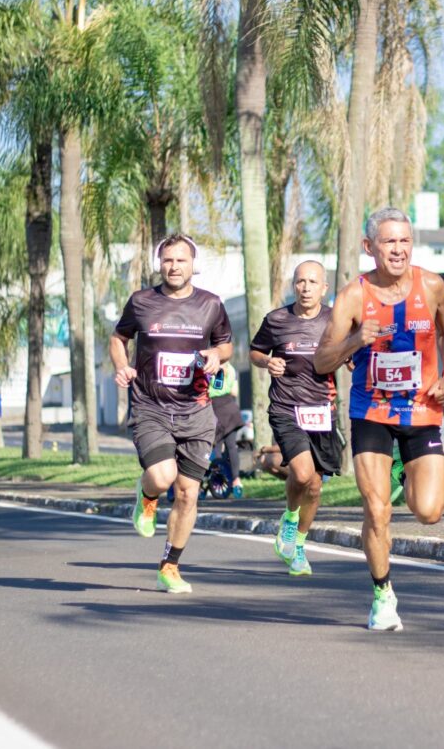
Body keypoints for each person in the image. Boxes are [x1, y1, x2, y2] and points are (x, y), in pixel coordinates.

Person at [315, 208, 444, 630]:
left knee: (428, 512)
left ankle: (402, 472)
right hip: (371, 411)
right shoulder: (353, 296)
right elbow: (323, 360)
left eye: (404, 241)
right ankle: (382, 594)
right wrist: (357, 339)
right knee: (377, 512)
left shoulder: (431, 286)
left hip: (421, 409)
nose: (398, 249)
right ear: (369, 247)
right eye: (389, 242)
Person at [110, 233, 233, 594]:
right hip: (152, 406)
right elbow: (119, 338)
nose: (173, 266)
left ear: (193, 265)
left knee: (187, 495)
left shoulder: (211, 304)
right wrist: (122, 366)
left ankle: (169, 567)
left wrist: (216, 356)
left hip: (196, 410)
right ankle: (146, 497)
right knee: (163, 477)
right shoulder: (142, 301)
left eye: (181, 260)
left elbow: (225, 343)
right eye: (167, 260)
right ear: (159, 263)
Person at [251, 260, 342, 577]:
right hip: (286, 407)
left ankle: (299, 545)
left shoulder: (336, 320)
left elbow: (351, 353)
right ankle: (289, 519)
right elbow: (255, 352)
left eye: (313, 282)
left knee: (316, 487)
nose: (306, 288)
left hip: (321, 411)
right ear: (294, 285)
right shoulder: (277, 319)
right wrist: (268, 362)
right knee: (302, 475)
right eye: (301, 281)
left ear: (324, 288)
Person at [208, 361, 245, 498]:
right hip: (230, 407)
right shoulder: (231, 368)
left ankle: (218, 477)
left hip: (215, 407)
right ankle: (236, 480)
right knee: (232, 447)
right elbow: (234, 392)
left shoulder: (210, 366)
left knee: (216, 445)